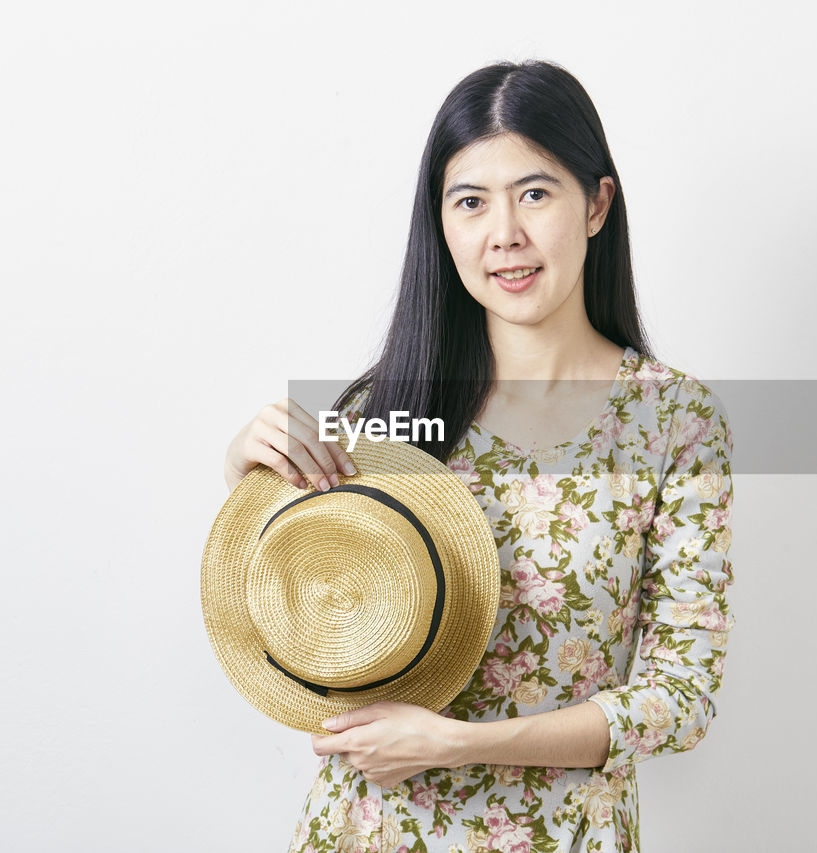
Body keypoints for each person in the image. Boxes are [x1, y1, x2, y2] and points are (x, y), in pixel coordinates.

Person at [223, 59, 735, 853]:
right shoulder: (386, 414)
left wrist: (459, 742)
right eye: (471, 202)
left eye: (535, 193)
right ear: (442, 222)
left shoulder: (672, 419)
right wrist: (251, 488)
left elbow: (682, 698)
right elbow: (305, 640)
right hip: (374, 832)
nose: (505, 235)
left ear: (597, 204)